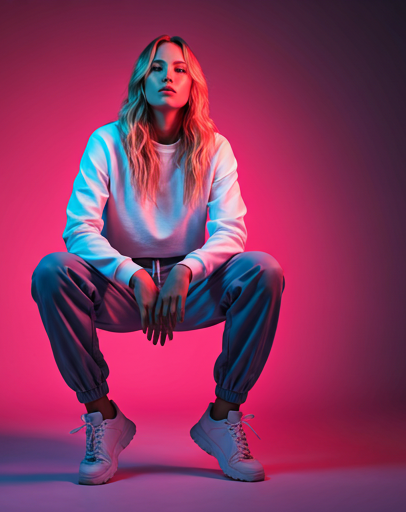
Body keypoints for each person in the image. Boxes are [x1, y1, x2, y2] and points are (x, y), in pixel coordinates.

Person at [31, 34, 285, 485]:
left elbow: (231, 231)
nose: (168, 75)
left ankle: (222, 416)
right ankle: (103, 416)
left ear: (192, 85)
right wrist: (132, 275)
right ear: (141, 81)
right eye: (156, 67)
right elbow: (79, 229)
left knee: (263, 270)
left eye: (179, 69)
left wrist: (185, 271)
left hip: (188, 288)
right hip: (122, 287)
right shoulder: (107, 142)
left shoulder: (215, 148)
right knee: (52, 271)